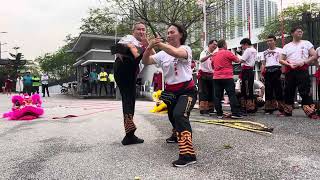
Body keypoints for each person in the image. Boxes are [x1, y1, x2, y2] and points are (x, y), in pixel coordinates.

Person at [142, 23, 197, 167]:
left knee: (180, 115)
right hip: (170, 92)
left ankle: (188, 155)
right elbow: (145, 61)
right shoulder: (162, 54)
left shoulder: (185, 49)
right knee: (172, 116)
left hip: (187, 91)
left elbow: (176, 54)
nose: (169, 35)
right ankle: (176, 133)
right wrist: (149, 47)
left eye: (172, 32)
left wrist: (159, 44)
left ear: (181, 34)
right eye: (167, 33)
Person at [113, 21, 148, 146]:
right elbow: (118, 49)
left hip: (132, 72)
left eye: (143, 29)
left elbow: (151, 57)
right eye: (139, 29)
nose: (141, 32)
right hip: (124, 69)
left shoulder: (143, 43)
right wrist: (134, 49)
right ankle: (129, 134)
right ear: (133, 31)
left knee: (130, 100)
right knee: (128, 99)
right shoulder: (129, 38)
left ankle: (130, 134)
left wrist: (147, 46)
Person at [280, 26, 318, 119]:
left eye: (301, 31)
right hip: (290, 70)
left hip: (302, 69)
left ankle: (310, 111)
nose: (300, 32)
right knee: (288, 90)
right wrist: (288, 65)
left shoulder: (307, 43)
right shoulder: (287, 46)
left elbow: (314, 55)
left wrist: (304, 61)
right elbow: (281, 60)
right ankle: (287, 111)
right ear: (292, 33)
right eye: (298, 31)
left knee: (305, 90)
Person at [211, 39, 242, 119]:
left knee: (217, 96)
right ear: (224, 45)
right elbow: (237, 60)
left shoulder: (214, 55)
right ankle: (235, 113)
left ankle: (219, 114)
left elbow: (212, 65)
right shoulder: (227, 52)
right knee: (231, 95)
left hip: (216, 77)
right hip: (227, 77)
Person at [261, 35, 284, 115]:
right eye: (268, 41)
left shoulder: (280, 50)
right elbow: (263, 64)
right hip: (268, 71)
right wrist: (262, 74)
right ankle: (269, 108)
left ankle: (282, 108)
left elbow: (283, 62)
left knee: (279, 89)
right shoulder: (264, 52)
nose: (269, 42)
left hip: (277, 70)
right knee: (268, 90)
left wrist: (283, 73)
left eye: (271, 40)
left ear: (275, 41)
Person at [198, 39, 218, 115]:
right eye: (214, 44)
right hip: (203, 75)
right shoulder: (204, 52)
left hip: (212, 75)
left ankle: (210, 108)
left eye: (216, 45)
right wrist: (209, 55)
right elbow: (201, 60)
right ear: (209, 44)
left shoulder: (215, 53)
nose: (215, 46)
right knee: (203, 92)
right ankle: (203, 109)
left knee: (211, 92)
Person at [239, 38, 257, 114]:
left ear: (246, 44)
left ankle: (245, 107)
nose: (242, 47)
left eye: (242, 45)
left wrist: (235, 58)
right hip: (251, 70)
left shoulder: (248, 50)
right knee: (250, 88)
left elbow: (242, 60)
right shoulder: (254, 50)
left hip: (246, 71)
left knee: (245, 89)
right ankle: (251, 106)